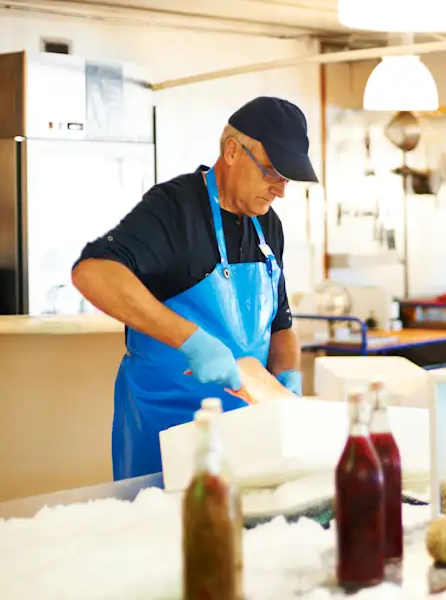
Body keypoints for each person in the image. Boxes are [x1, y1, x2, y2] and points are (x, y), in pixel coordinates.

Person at [72, 96, 317, 481]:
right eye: (272, 172)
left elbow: (281, 324)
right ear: (233, 151)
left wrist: (287, 380)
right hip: (166, 433)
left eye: (286, 179)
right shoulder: (174, 208)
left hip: (245, 436)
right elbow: (93, 272)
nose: (280, 190)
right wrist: (192, 341)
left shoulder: (268, 225)